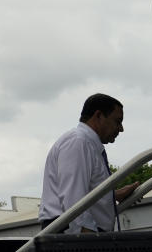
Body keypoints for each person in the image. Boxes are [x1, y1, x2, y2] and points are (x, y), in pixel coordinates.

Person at [38, 93, 140, 233]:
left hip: (76, 234)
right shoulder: (78, 142)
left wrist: (112, 196)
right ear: (98, 116)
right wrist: (88, 241)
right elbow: (73, 200)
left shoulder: (86, 144)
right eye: (117, 121)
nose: (121, 128)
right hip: (73, 236)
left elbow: (79, 194)